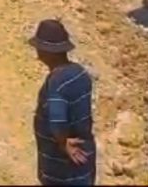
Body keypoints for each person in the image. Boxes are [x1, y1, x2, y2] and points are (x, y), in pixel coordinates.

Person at [30, 19, 97, 186]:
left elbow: (57, 120)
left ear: (48, 51)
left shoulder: (56, 82)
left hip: (61, 167)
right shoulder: (80, 73)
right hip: (85, 157)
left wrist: (62, 143)